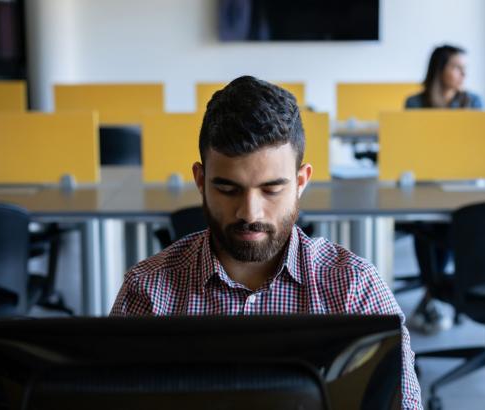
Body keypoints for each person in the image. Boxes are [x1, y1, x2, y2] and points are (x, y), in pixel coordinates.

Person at [111, 76, 423, 409]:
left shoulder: (353, 288)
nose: (249, 212)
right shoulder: (148, 291)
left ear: (301, 182)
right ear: (200, 181)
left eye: (272, 189)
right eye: (228, 189)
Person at [402, 45, 483, 334]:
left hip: (464, 185)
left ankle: (430, 295)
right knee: (425, 226)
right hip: (425, 184)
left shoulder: (473, 102)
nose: (464, 74)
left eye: (464, 68)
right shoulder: (415, 103)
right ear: (440, 70)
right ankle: (431, 293)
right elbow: (410, 149)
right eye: (457, 68)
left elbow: (478, 148)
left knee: (453, 225)